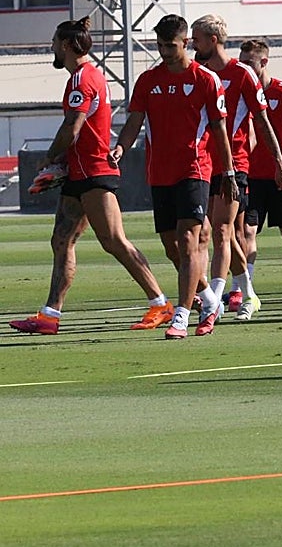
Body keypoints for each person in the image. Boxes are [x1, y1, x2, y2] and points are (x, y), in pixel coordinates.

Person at [10, 17, 173, 336]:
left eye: (55, 42)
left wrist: (48, 160)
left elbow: (72, 128)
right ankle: (49, 316)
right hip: (81, 173)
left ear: (68, 45)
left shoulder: (83, 79)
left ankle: (160, 304)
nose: (52, 47)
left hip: (95, 172)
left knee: (114, 241)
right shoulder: (83, 76)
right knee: (61, 240)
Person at [111, 14, 237, 339]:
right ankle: (209, 299)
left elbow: (220, 130)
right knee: (172, 248)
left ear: (187, 43)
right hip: (160, 173)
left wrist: (230, 172)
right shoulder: (147, 81)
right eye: (161, 45)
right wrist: (120, 148)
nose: (165, 52)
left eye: (171, 45)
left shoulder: (206, 80)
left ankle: (181, 315)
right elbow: (134, 122)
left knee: (188, 240)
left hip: (195, 170)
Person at [191, 15, 282, 321]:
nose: (192, 44)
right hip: (205, 163)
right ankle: (248, 293)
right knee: (208, 234)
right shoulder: (197, 73)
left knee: (222, 230)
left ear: (213, 40)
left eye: (196, 38)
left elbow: (262, 122)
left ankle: (215, 301)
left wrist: (279, 162)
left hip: (235, 163)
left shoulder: (243, 74)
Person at [237, 38, 282, 302]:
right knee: (247, 231)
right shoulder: (240, 91)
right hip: (251, 174)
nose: (243, 67)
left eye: (249, 63)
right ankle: (244, 287)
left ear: (263, 62)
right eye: (241, 62)